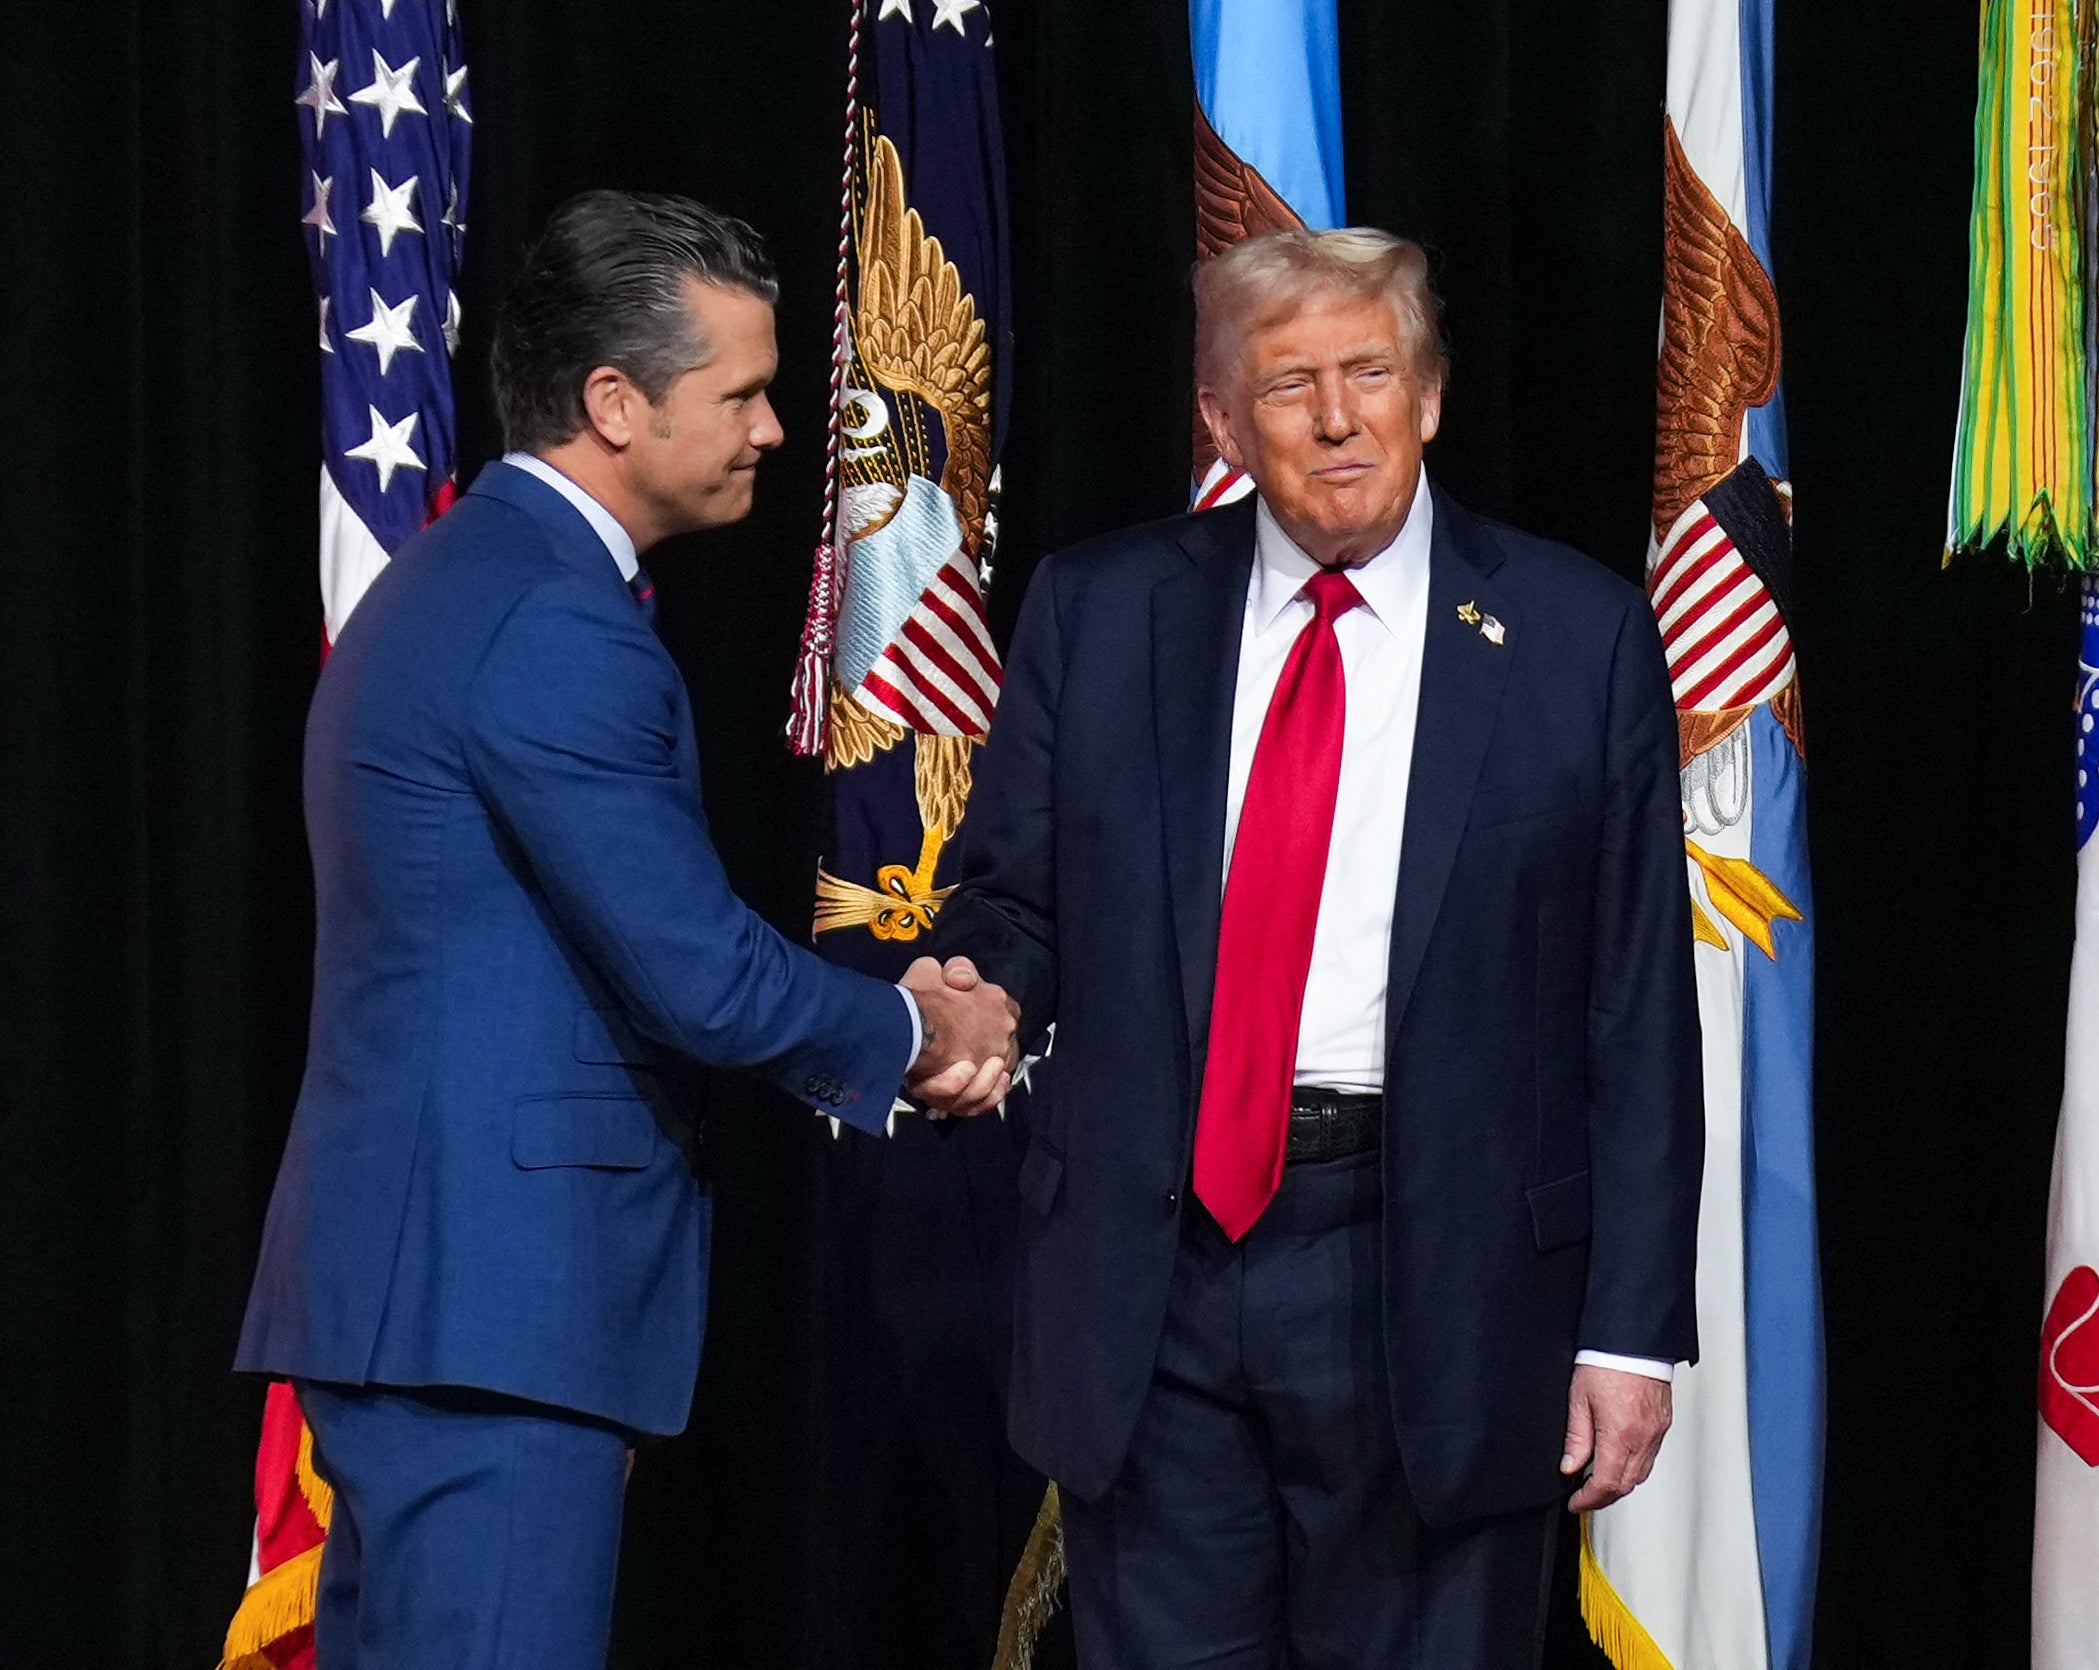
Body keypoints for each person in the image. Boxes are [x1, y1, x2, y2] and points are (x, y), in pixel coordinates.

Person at [233, 189, 1018, 1670]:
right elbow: (700, 975)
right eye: (741, 393)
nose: (774, 430)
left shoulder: (469, 579)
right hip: (493, 1308)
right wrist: (922, 1030)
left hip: (441, 1301)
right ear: (614, 403)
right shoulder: (549, 617)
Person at [930, 227, 1706, 1666]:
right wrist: (968, 988)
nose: (1339, 417)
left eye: (1372, 373)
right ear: (1223, 421)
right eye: (1291, 385)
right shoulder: (1100, 611)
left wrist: (1628, 1332)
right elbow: (1015, 899)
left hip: (1446, 1284)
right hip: (1152, 1279)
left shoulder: (1575, 634)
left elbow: (1637, 1007)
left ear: (1432, 394)